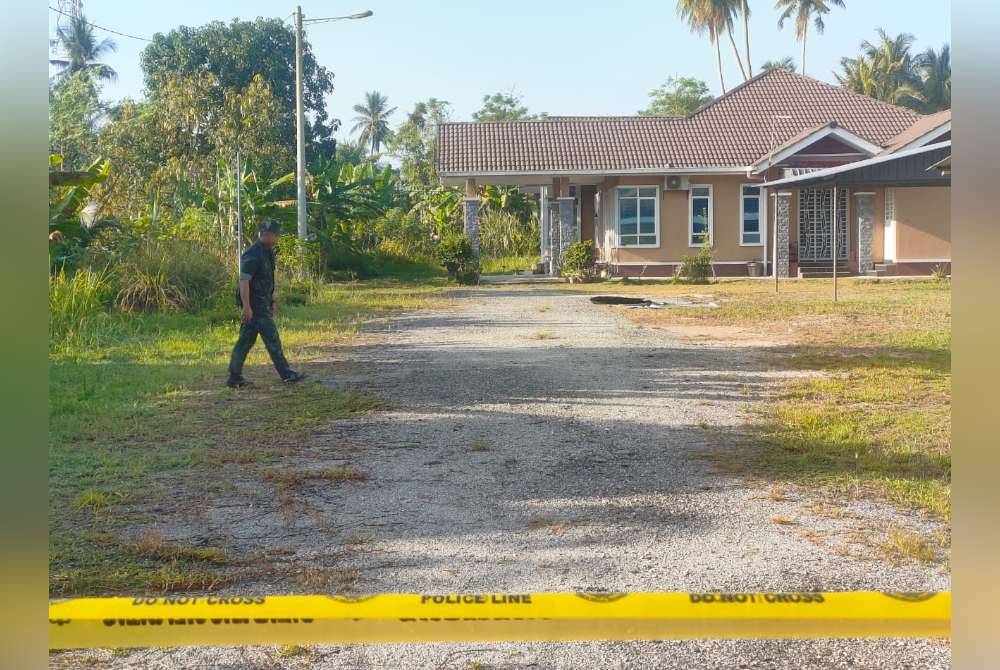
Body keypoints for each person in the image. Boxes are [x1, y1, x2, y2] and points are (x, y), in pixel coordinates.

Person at [226, 220, 305, 388]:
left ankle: (234, 377)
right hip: (255, 306)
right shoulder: (252, 254)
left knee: (245, 341)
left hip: (263, 303)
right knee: (272, 339)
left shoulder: (268, 252)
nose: (276, 238)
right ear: (264, 234)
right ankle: (285, 373)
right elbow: (244, 281)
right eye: (274, 235)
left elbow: (269, 279)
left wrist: (273, 300)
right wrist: (247, 306)